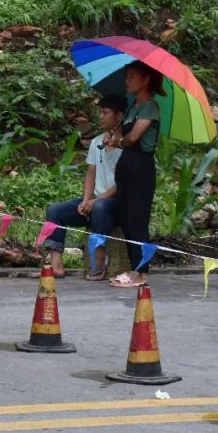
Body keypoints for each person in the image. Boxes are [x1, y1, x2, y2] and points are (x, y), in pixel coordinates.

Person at [42, 94, 127, 280]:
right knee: (55, 210)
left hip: (115, 204)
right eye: (100, 112)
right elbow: (90, 173)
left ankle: (98, 263)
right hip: (95, 200)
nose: (101, 116)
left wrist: (96, 201)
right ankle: (56, 264)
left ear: (119, 116)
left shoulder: (127, 145)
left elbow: (122, 184)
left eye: (105, 113)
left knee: (100, 206)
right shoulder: (97, 141)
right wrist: (87, 199)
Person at [108, 61, 163, 288]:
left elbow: (132, 139)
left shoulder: (150, 106)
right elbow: (121, 134)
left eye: (132, 76)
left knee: (138, 220)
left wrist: (118, 141)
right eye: (126, 76)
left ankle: (140, 273)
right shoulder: (132, 107)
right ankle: (132, 269)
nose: (127, 80)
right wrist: (113, 136)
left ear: (146, 79)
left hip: (141, 165)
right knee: (127, 219)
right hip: (126, 165)